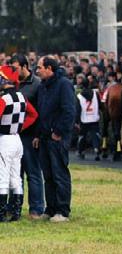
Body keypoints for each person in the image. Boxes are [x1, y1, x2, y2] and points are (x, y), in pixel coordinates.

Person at [33, 56, 76, 223]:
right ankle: (50, 209)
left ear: (49, 68)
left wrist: (58, 132)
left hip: (58, 137)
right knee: (48, 175)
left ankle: (62, 210)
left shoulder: (64, 84)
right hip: (44, 137)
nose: (37, 71)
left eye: (39, 67)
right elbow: (40, 113)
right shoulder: (44, 86)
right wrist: (38, 134)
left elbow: (69, 111)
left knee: (60, 174)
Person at [0, 66, 38, 222]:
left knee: (2, 176)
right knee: (16, 176)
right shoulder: (22, 97)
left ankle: (1, 214)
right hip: (17, 139)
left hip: (5, 140)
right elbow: (34, 114)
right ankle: (16, 212)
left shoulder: (3, 99)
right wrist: (21, 126)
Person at [10, 54, 44, 219]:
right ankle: (14, 206)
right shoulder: (12, 83)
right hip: (13, 135)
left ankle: (36, 209)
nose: (14, 71)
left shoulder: (37, 84)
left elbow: (40, 112)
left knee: (33, 172)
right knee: (15, 174)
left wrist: (38, 134)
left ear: (24, 66)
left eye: (16, 68)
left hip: (30, 135)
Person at [76, 77, 101, 161]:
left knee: (82, 136)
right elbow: (100, 105)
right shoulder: (95, 94)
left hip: (84, 118)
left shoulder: (79, 96)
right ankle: (96, 149)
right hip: (94, 118)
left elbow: (78, 109)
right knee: (95, 135)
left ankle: (81, 151)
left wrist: (77, 121)